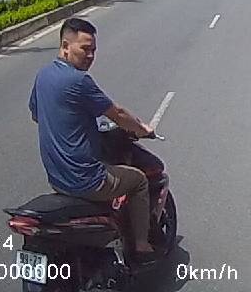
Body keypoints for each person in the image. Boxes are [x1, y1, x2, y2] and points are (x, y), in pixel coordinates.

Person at [29, 18, 158, 264]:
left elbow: (37, 115)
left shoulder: (43, 76)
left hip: (56, 177)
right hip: (86, 180)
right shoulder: (78, 81)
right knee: (139, 180)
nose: (90, 56)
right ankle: (142, 245)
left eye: (94, 50)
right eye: (84, 49)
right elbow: (117, 114)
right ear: (65, 46)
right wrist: (142, 129)